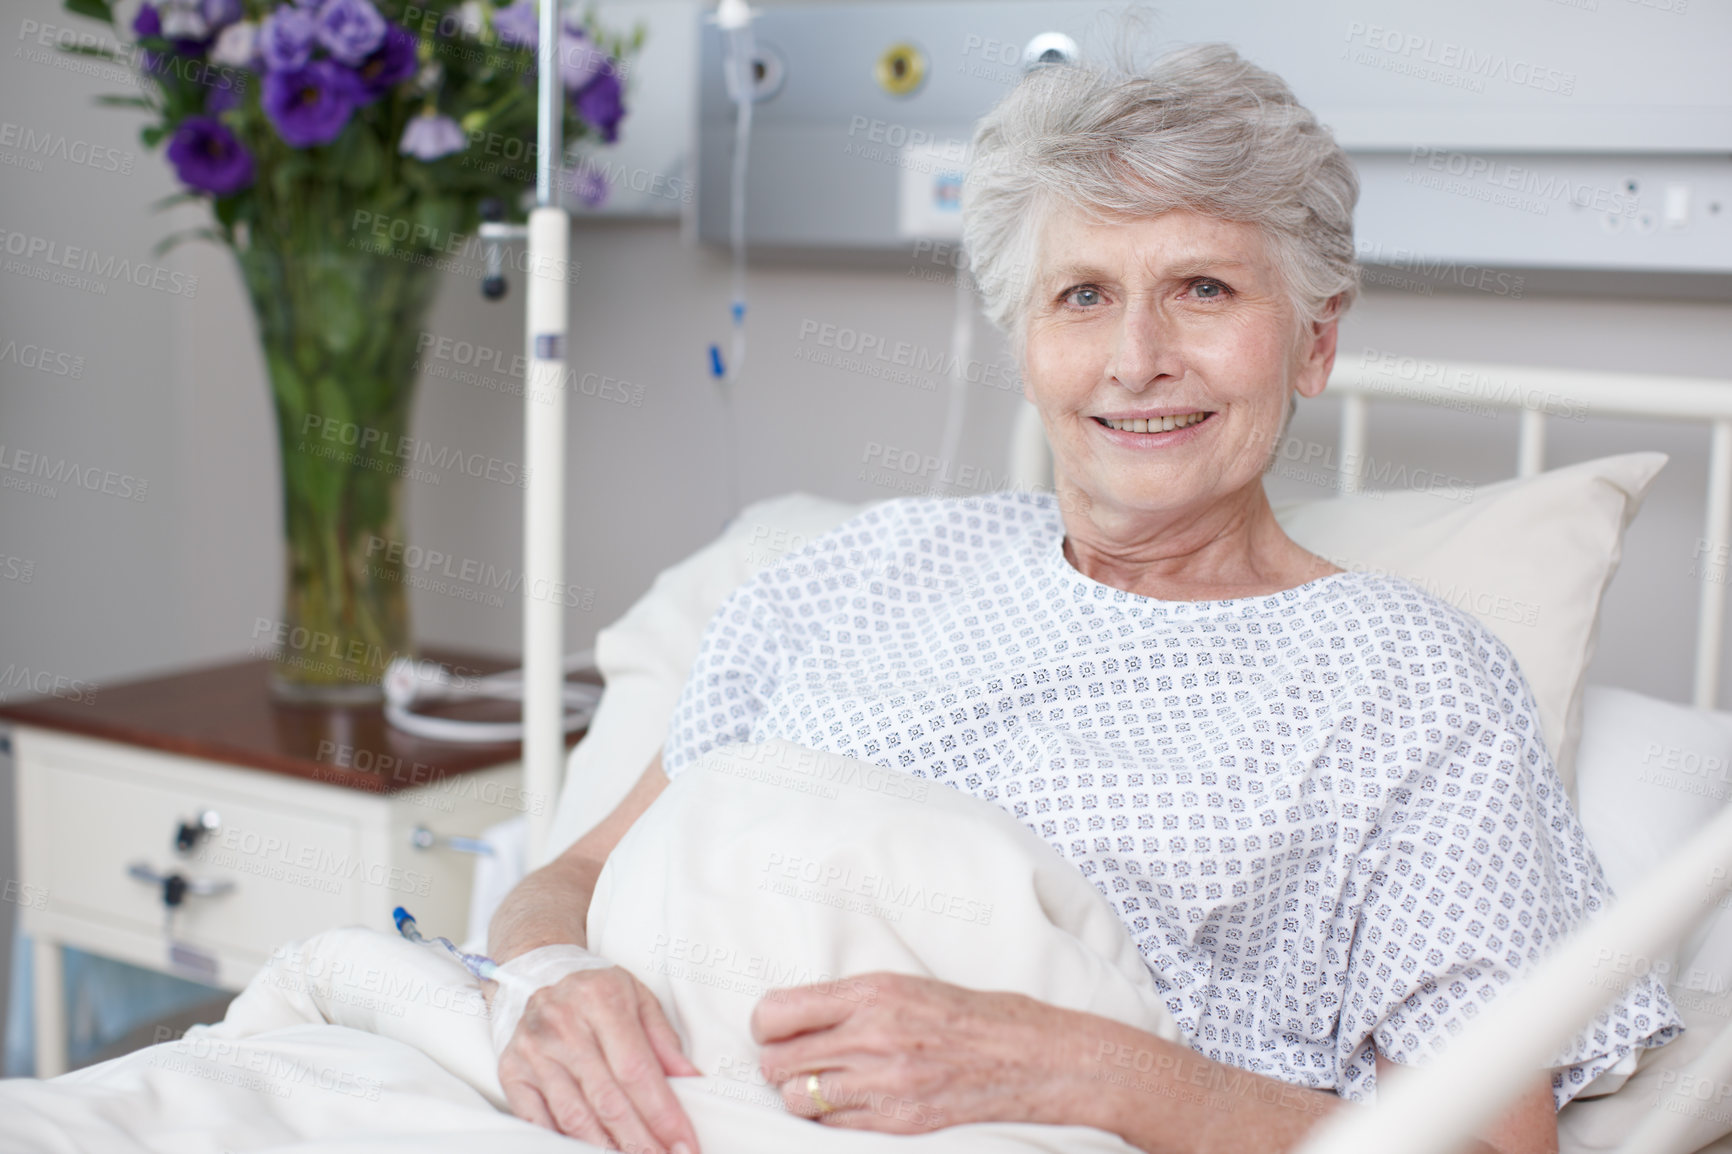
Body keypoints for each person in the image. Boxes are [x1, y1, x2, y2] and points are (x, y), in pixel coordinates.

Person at [484, 42, 1680, 1154]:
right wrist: (547, 984)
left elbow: (1481, 1139)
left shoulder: (1408, 685)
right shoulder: (856, 568)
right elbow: (579, 877)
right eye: (1083, 296)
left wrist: (1086, 1072)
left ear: (1313, 342)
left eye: (1205, 288)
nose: (1136, 357)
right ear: (1024, 341)